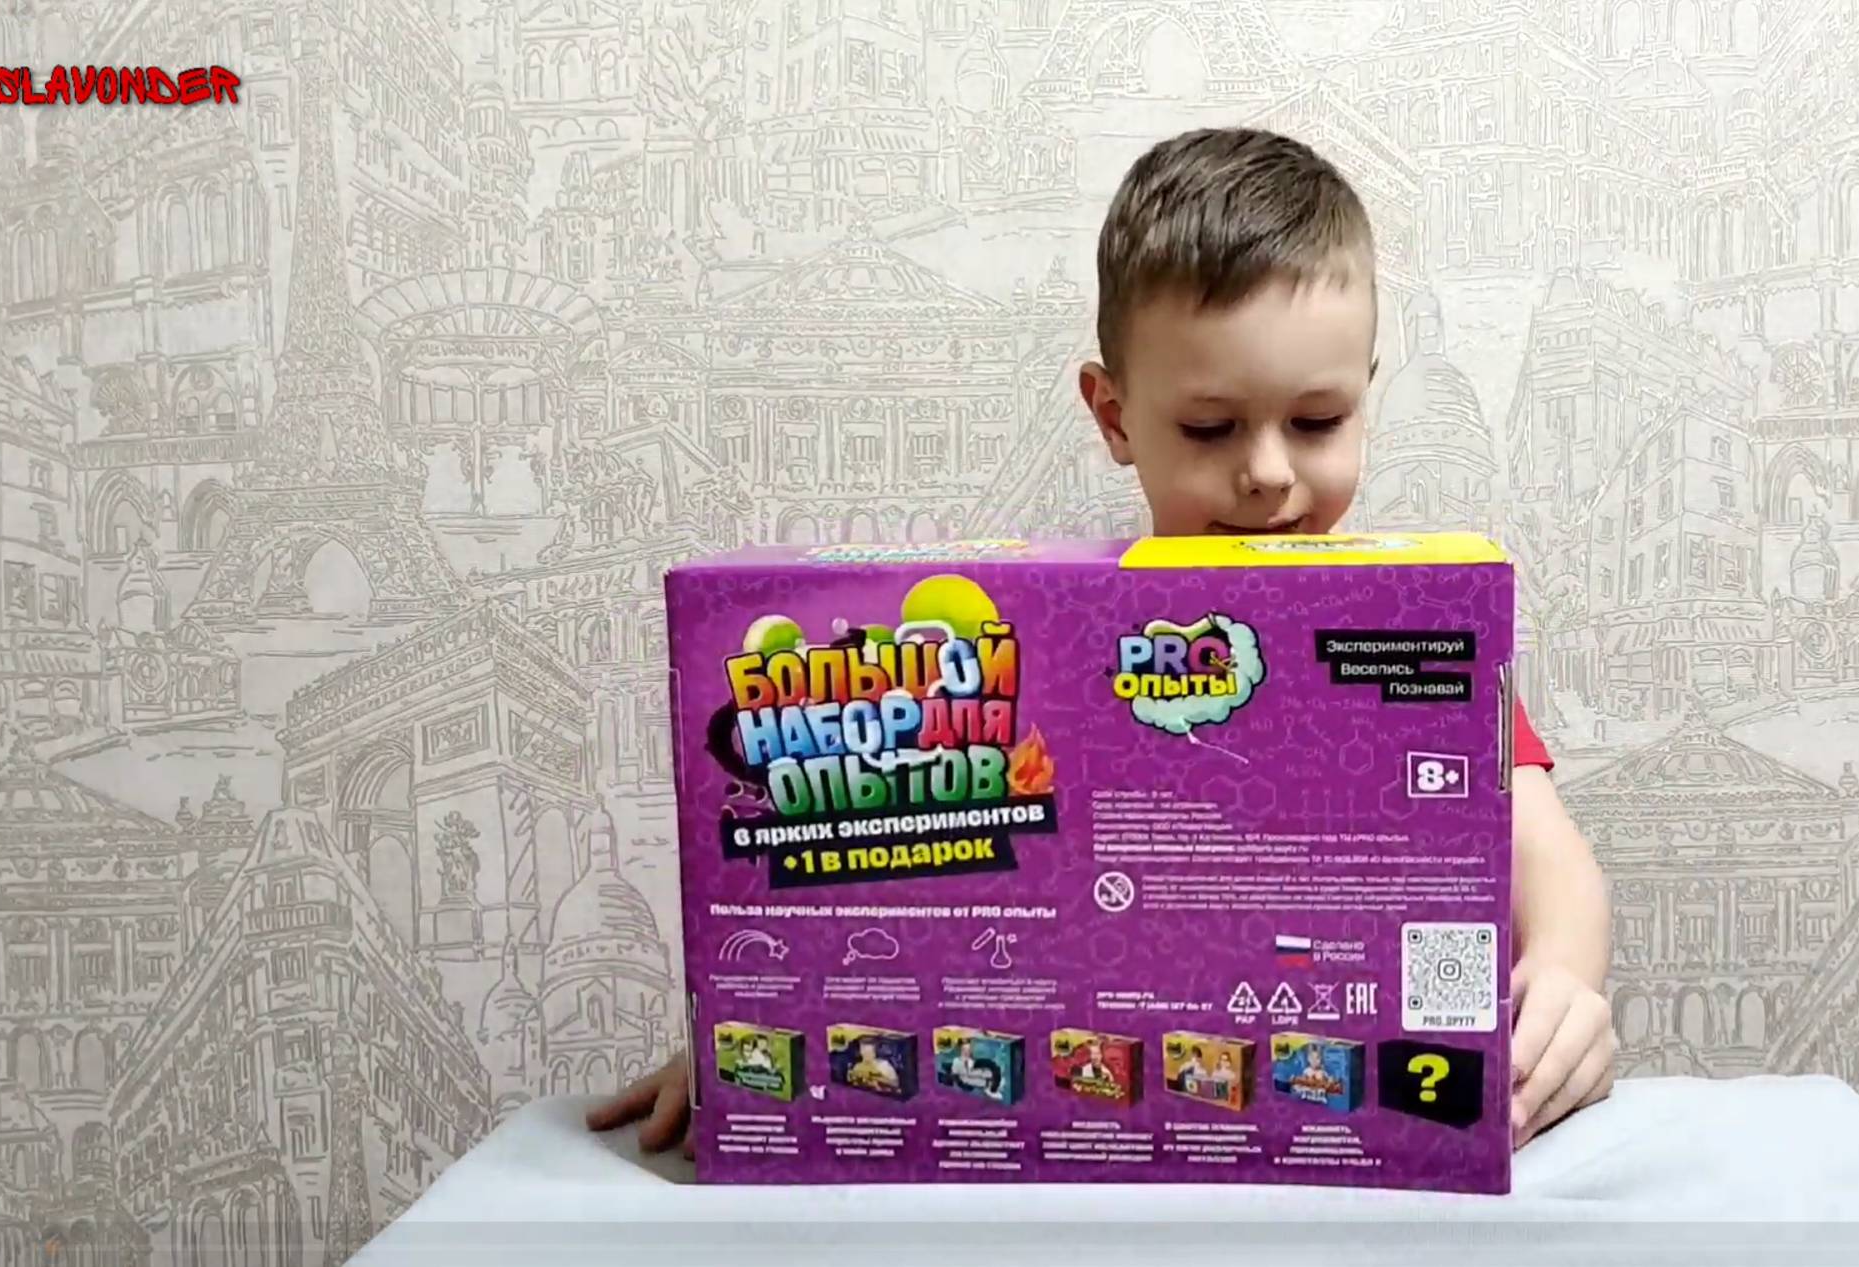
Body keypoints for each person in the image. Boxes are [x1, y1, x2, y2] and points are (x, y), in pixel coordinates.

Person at [589, 126, 1616, 1157]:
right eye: (1210, 428)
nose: (1268, 473)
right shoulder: (1043, 658)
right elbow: (902, 906)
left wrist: (1566, 980)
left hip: (1364, 1124)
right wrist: (758, 1035)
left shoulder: (1416, 641)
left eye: (1317, 421)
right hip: (1103, 1138)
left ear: (1365, 399)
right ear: (1115, 416)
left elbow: (1555, 867)